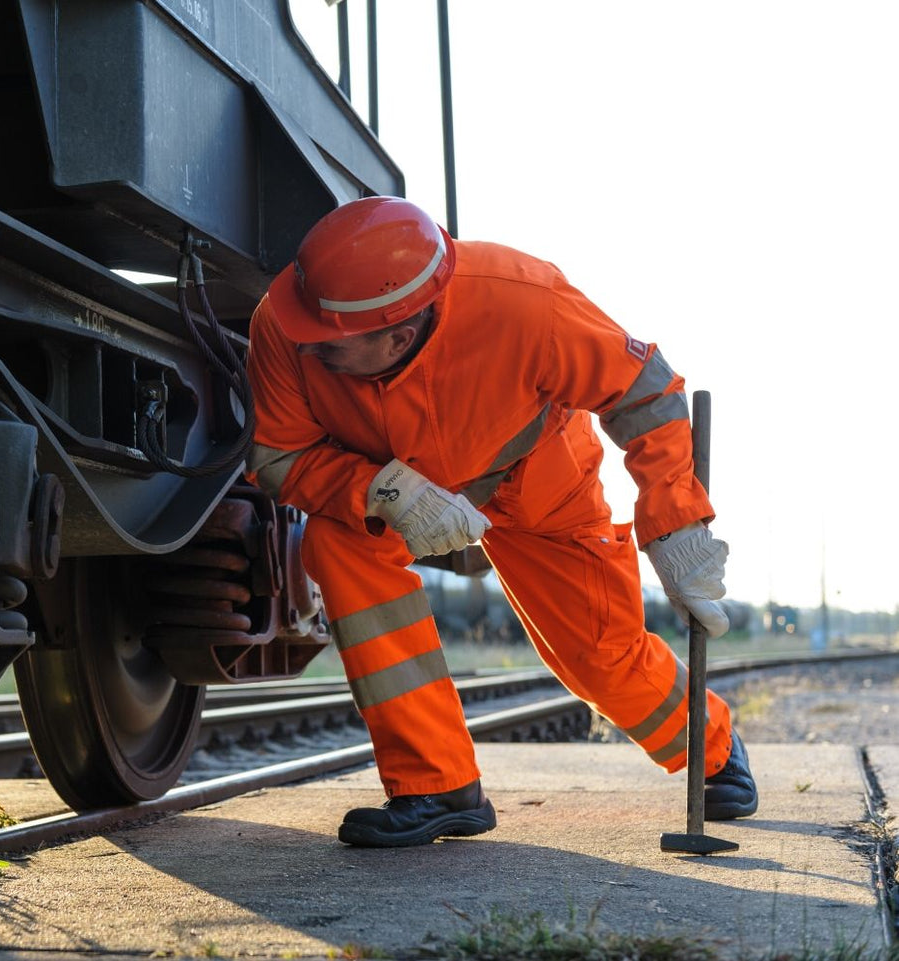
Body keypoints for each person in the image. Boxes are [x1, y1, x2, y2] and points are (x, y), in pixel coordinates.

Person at [244, 196, 756, 847]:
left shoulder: (524, 301)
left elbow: (643, 389)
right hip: (396, 491)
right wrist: (383, 491)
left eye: (328, 346)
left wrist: (675, 523)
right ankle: (436, 785)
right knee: (336, 542)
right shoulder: (288, 323)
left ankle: (714, 748)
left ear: (397, 336)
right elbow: (279, 456)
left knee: (598, 656)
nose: (305, 346)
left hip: (540, 485)